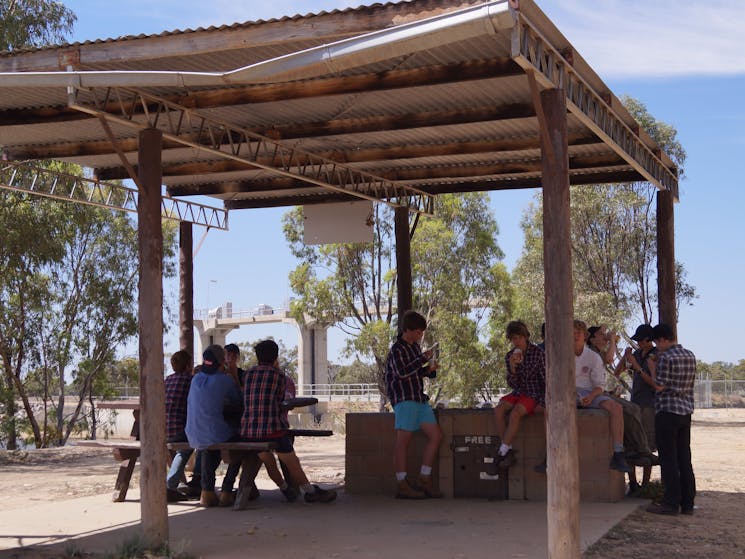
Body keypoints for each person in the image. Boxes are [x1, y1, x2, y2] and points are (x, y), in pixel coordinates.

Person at [240, 339, 336, 503]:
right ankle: (310, 491)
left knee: (268, 461)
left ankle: (285, 488)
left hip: (248, 432)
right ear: (276, 357)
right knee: (292, 460)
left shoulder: (247, 375)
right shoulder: (279, 376)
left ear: (257, 357)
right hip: (272, 431)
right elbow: (284, 402)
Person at [385, 310, 443, 499]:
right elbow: (402, 372)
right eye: (418, 332)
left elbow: (417, 372)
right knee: (403, 442)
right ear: (408, 330)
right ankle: (402, 484)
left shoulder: (415, 348)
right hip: (404, 399)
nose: (420, 335)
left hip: (419, 398)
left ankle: (423, 479)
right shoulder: (397, 349)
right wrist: (423, 360)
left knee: (436, 436)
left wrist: (429, 370)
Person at [645, 323, 696, 516]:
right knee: (684, 458)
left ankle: (670, 502)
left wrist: (652, 367)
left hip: (667, 411)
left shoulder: (665, 357)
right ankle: (688, 502)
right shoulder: (689, 354)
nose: (657, 346)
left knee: (668, 459)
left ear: (663, 340)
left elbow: (659, 386)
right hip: (685, 411)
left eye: (657, 342)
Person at [185, 344, 242, 507]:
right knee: (242, 446)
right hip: (213, 432)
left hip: (192, 433)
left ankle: (207, 491)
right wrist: (232, 375)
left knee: (210, 447)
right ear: (221, 362)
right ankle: (226, 490)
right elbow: (238, 400)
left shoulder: (195, 379)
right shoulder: (225, 380)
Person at [574, 320, 630, 473]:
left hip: (591, 392)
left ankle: (618, 453)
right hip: (568, 394)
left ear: (585, 336)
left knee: (616, 407)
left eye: (578, 333)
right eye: (571, 333)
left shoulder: (593, 357)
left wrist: (591, 397)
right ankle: (549, 453)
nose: (574, 336)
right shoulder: (561, 355)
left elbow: (599, 385)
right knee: (549, 408)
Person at [492, 321, 545, 470]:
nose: (517, 342)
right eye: (513, 339)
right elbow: (513, 384)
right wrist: (513, 367)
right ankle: (507, 451)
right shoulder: (510, 355)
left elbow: (545, 380)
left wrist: (543, 401)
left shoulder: (538, 353)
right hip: (518, 392)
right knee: (498, 410)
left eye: (519, 338)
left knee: (515, 414)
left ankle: (501, 453)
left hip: (533, 393)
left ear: (525, 337)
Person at [616, 324, 658, 495]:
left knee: (646, 444)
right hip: (635, 404)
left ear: (649, 339)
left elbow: (655, 383)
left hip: (649, 405)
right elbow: (618, 372)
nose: (638, 343)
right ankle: (632, 483)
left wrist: (638, 368)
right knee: (631, 442)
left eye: (641, 340)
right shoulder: (636, 355)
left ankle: (646, 484)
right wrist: (625, 359)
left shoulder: (655, 356)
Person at [164, 350, 201, 501]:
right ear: (188, 365)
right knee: (196, 444)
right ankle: (171, 484)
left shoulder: (167, 380)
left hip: (164, 429)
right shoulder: (190, 380)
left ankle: (179, 483)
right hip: (181, 429)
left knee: (187, 446)